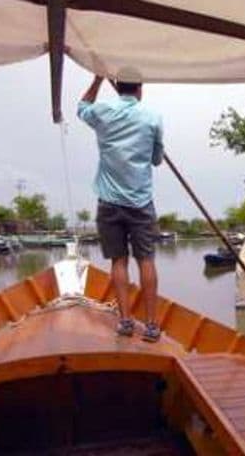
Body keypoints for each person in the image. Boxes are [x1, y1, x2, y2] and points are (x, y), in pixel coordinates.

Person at [78, 75, 166, 342]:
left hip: (109, 202)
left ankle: (126, 323)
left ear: (119, 88)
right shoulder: (152, 117)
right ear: (140, 89)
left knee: (119, 261)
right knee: (146, 260)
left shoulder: (103, 112)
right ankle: (151, 326)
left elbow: (82, 107)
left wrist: (96, 80)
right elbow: (157, 159)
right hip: (140, 202)